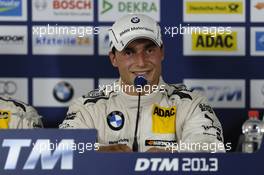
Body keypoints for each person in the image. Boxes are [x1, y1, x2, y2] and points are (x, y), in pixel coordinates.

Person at [60, 14, 225, 152]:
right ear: (113, 59)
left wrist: (169, 158)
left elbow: (211, 148)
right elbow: (64, 150)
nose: (141, 62)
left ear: (162, 52)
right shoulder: (87, 108)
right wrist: (101, 155)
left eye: (149, 50)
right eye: (129, 52)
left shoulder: (191, 104)